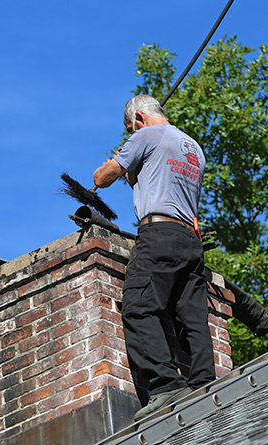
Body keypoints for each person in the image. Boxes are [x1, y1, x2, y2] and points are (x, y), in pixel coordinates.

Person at [93, 94, 216, 421]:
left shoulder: (144, 135)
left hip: (158, 235)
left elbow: (100, 179)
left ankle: (165, 386)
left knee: (138, 305)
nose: (129, 132)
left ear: (139, 118)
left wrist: (117, 158)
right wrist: (132, 168)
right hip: (190, 240)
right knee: (192, 316)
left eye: (128, 127)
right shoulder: (192, 148)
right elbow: (149, 180)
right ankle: (205, 382)